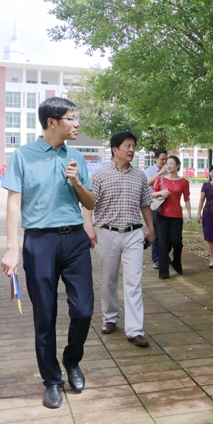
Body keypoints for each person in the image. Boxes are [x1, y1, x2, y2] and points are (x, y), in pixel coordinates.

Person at [1, 97, 94, 408]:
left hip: (75, 240)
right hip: (39, 242)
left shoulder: (76, 157)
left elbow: (90, 203)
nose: (77, 124)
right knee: (45, 315)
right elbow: (13, 204)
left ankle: (72, 360)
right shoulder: (23, 156)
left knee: (83, 311)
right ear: (52, 122)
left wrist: (77, 183)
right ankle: (52, 380)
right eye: (71, 118)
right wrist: (12, 249)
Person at [83, 131, 155, 348]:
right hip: (106, 233)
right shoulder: (99, 175)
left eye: (133, 146)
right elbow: (88, 204)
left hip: (133, 234)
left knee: (133, 282)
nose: (132, 150)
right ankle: (110, 317)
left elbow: (145, 204)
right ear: (115, 149)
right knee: (108, 280)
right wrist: (89, 227)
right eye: (127, 146)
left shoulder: (139, 175)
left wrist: (151, 230)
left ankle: (135, 330)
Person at [152, 155, 192, 279]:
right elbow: (152, 193)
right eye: (167, 164)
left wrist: (189, 215)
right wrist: (161, 192)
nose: (168, 166)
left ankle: (176, 262)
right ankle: (163, 272)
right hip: (162, 216)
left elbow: (187, 199)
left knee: (177, 242)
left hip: (176, 216)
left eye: (171, 163)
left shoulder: (183, 182)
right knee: (163, 244)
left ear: (178, 166)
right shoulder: (161, 179)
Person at [145, 148, 168, 269]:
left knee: (167, 233)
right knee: (156, 232)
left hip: (166, 205)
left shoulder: (169, 171)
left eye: (166, 159)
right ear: (156, 159)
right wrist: (160, 173)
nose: (164, 162)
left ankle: (165, 255)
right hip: (154, 205)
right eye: (162, 159)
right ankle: (157, 258)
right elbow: (147, 184)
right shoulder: (149, 171)